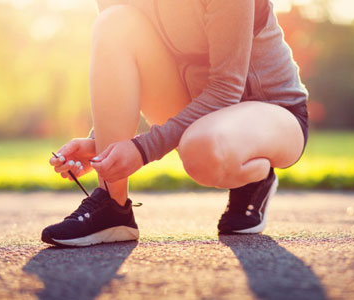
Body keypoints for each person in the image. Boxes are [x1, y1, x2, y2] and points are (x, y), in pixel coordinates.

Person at [42, 0, 309, 247]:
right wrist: (101, 145)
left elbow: (226, 89)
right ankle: (112, 206)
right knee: (114, 22)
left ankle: (255, 176)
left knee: (202, 148)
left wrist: (143, 149)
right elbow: (124, 73)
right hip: (197, 111)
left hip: (273, 112)